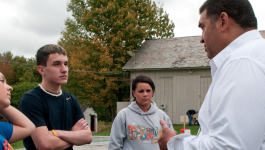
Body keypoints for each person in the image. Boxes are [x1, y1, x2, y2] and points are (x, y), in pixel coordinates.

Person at [158, 0, 265, 149]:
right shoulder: (255, 55)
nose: (201, 38)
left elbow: (229, 146)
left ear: (223, 21)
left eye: (203, 27)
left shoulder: (243, 61)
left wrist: (174, 143)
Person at [19, 44, 92, 150]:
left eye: (66, 64)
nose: (64, 69)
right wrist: (73, 136)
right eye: (57, 64)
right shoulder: (31, 99)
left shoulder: (71, 99)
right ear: (41, 70)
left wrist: (55, 133)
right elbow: (45, 145)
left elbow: (87, 137)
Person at [108, 75, 174, 150]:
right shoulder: (123, 115)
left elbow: (172, 143)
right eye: (141, 91)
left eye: (148, 91)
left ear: (152, 92)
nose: (145, 94)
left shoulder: (162, 116)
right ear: (134, 93)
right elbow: (114, 145)